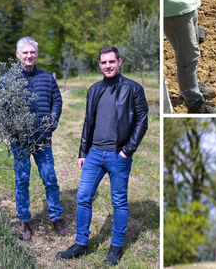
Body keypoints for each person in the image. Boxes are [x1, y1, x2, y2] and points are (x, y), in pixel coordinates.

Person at [55, 46, 149, 266]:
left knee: (119, 202)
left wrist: (128, 150)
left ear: (119, 62)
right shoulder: (94, 89)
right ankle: (80, 244)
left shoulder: (132, 88)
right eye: (103, 62)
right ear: (99, 64)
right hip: (95, 154)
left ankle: (116, 248)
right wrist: (83, 152)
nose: (108, 66)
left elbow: (142, 120)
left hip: (119, 155)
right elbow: (88, 122)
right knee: (83, 197)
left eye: (111, 62)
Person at [11, 36, 68, 241]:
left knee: (50, 178)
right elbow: (1, 107)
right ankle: (24, 220)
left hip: (43, 139)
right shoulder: (10, 79)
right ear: (18, 54)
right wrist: (12, 127)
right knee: (22, 180)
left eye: (32, 52)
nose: (29, 55)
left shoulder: (46, 77)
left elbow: (57, 101)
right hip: (20, 141)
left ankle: (56, 216)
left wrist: (51, 123)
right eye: (25, 52)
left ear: (36, 54)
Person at [164, 0, 216, 113]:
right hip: (174, 7)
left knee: (190, 53)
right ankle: (194, 104)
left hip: (187, 2)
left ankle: (192, 87)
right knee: (188, 57)